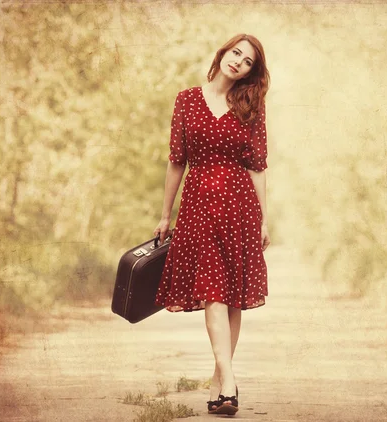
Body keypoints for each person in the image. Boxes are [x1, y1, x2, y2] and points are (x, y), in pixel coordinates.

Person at [153, 33, 271, 416]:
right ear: (223, 54)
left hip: (239, 207)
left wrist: (264, 219)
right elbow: (176, 161)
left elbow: (257, 166)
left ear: (251, 72)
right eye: (236, 52)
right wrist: (164, 214)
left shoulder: (250, 104)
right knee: (213, 293)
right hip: (199, 206)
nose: (238, 61)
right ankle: (230, 379)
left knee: (232, 296)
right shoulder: (187, 99)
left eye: (248, 61)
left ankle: (221, 383)